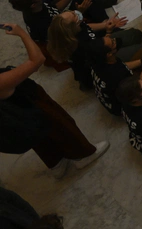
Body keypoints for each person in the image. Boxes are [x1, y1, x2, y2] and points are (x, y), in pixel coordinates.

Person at [0, 21, 109, 176]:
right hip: (28, 101)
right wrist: (21, 33)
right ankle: (83, 154)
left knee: (36, 137)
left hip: (15, 115)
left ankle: (56, 162)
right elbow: (37, 60)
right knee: (61, 125)